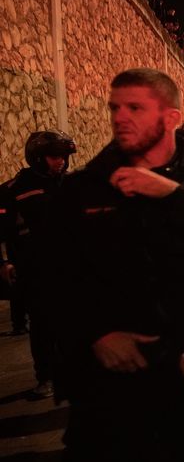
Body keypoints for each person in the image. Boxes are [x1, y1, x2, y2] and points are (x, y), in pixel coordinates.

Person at [44, 68, 184, 461]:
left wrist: (176, 196)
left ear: (170, 117)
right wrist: (96, 334)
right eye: (115, 108)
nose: (120, 118)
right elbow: (52, 278)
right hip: (115, 390)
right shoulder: (84, 187)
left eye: (135, 108)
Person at [0, 130, 76, 398]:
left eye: (64, 156)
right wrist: (5, 262)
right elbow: (2, 231)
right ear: (38, 158)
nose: (61, 162)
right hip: (36, 271)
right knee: (43, 326)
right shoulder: (15, 189)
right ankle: (46, 378)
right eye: (55, 157)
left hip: (71, 268)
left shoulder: (71, 185)